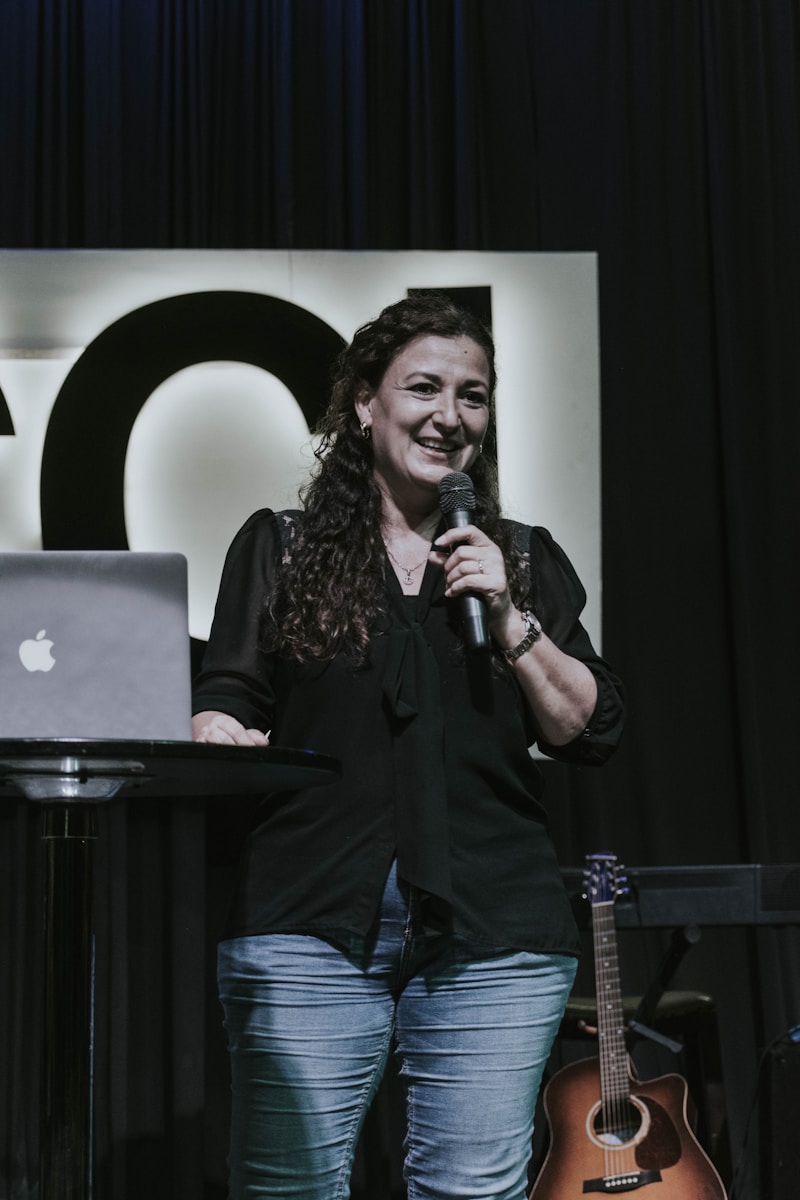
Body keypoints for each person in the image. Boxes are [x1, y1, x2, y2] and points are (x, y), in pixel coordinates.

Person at [192, 291, 625, 1200]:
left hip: (491, 927)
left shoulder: (520, 557)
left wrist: (508, 613)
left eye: (472, 396)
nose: (449, 415)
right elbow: (228, 690)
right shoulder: (281, 547)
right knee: (286, 1186)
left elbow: (589, 727)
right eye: (423, 387)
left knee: (472, 1189)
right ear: (364, 403)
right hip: (309, 915)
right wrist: (217, 728)